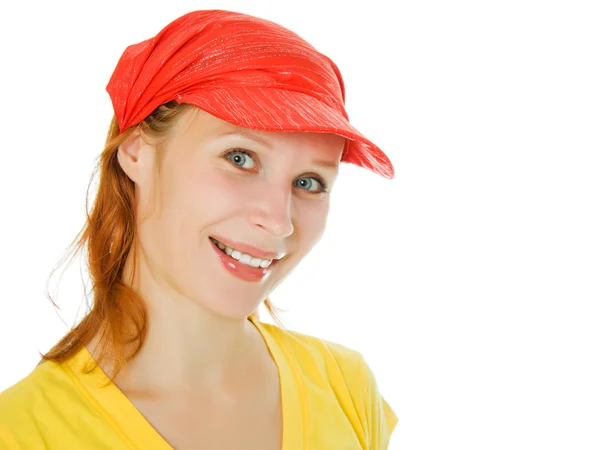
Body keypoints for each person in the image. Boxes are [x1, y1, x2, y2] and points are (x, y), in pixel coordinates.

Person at [0, 9, 397, 449]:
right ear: (137, 152)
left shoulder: (348, 389)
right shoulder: (22, 431)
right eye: (240, 157)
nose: (279, 220)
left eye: (309, 183)